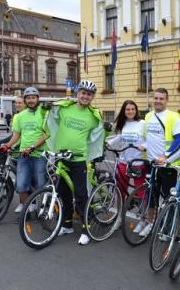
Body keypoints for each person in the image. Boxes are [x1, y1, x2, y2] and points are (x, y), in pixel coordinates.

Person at [46, 80, 106, 245]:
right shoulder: (65, 108)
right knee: (63, 193)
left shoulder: (94, 116)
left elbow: (99, 132)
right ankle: (67, 225)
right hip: (62, 157)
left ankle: (86, 230)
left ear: (92, 97)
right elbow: (52, 115)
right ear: (77, 93)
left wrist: (107, 128)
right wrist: (48, 108)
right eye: (83, 93)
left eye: (89, 94)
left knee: (80, 195)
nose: (85, 96)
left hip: (79, 159)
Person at [142, 88, 180, 237]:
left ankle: (168, 228)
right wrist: (144, 146)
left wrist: (166, 155)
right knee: (151, 194)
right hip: (151, 162)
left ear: (167, 100)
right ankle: (150, 223)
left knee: (168, 197)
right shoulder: (148, 116)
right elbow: (149, 138)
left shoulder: (173, 116)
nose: (158, 101)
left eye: (161, 98)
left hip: (168, 164)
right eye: (156, 98)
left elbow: (179, 138)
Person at [2, 87, 48, 213]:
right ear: (25, 100)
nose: (31, 100)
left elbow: (46, 135)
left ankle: (43, 209)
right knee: (21, 185)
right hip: (24, 154)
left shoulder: (44, 113)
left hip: (40, 154)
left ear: (38, 99)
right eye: (28, 98)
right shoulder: (21, 116)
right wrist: (7, 145)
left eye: (33, 97)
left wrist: (33, 147)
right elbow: (16, 135)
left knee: (40, 184)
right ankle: (28, 206)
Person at [106, 100, 146, 198]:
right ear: (124, 111)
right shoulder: (123, 123)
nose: (130, 111)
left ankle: (143, 210)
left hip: (138, 162)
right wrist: (108, 143)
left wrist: (145, 146)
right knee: (121, 189)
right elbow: (120, 137)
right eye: (128, 109)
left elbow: (150, 139)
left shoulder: (142, 123)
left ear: (136, 110)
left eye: (133, 109)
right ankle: (121, 209)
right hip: (123, 161)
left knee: (140, 190)